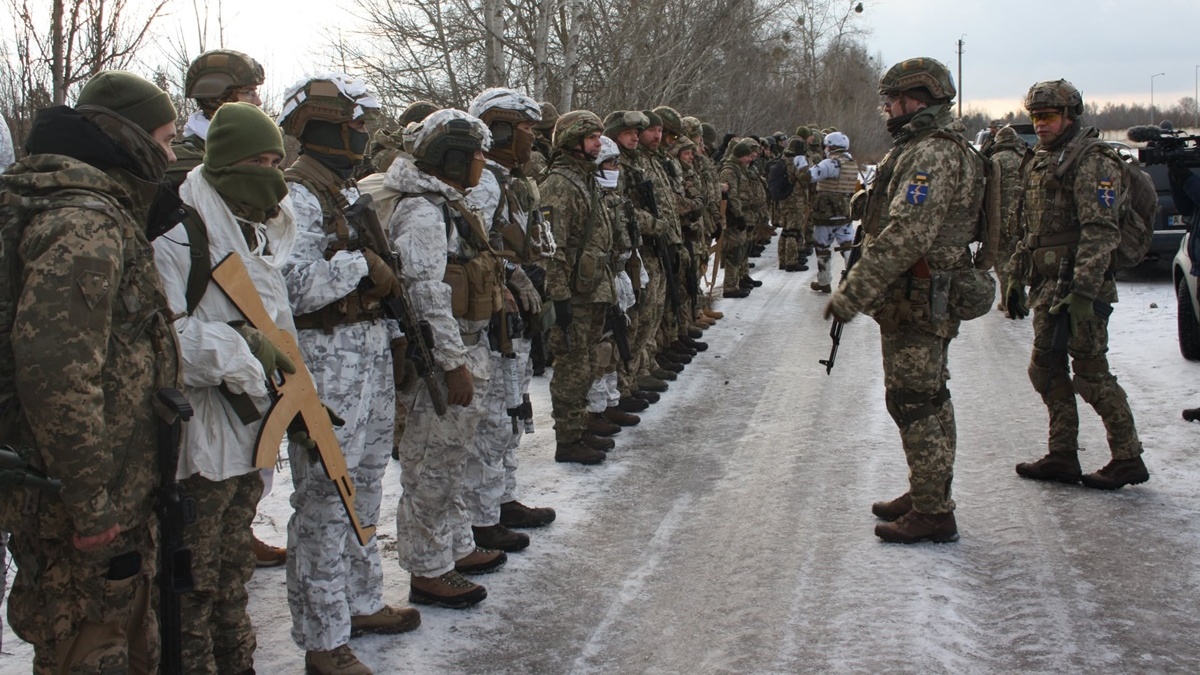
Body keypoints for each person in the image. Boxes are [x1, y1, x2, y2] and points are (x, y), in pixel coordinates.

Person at [3, 69, 182, 674]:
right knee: (91, 647)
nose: (171, 151)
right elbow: (58, 373)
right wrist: (93, 506)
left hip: (81, 488)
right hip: (82, 503)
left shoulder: (57, 202)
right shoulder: (84, 222)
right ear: (127, 137)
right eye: (165, 136)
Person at [277, 74, 418, 675]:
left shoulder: (343, 193)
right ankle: (323, 637)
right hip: (325, 361)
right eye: (354, 122)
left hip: (366, 355)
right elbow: (287, 288)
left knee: (363, 490)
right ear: (322, 125)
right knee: (324, 502)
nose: (363, 134)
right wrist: (360, 266)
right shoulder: (296, 197)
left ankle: (360, 602)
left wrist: (397, 332)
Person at [152, 102, 293, 674]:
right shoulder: (181, 233)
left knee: (233, 578)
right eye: (256, 160)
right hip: (198, 443)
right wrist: (242, 349)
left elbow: (275, 323)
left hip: (246, 434)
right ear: (226, 163)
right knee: (194, 589)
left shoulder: (257, 230)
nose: (268, 171)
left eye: (275, 160)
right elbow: (167, 339)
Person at [824, 57, 986, 543]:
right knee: (930, 395)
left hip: (920, 295)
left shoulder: (931, 154)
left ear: (917, 100)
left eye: (892, 101)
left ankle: (934, 511)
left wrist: (853, 292)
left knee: (914, 399)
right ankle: (928, 491)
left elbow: (908, 232)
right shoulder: (929, 147)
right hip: (922, 292)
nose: (887, 110)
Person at [1004, 79, 1149, 490]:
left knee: (1089, 372)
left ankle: (1128, 457)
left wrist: (1084, 291)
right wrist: (1015, 275)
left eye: (1048, 116)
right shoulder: (1040, 159)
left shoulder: (1093, 161)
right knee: (1045, 369)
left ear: (1070, 116)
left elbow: (1100, 232)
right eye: (1035, 117)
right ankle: (1062, 454)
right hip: (1047, 284)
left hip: (1083, 286)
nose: (1040, 125)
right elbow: (1028, 230)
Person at [387, 108, 506, 607]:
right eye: (477, 153)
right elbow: (426, 296)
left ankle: (454, 545)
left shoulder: (446, 203)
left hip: (462, 348)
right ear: (452, 158)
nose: (483, 161)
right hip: (439, 363)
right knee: (431, 468)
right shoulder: (422, 212)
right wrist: (452, 364)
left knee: (451, 459)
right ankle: (428, 570)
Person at [463, 87, 557, 549]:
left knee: (514, 412)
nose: (531, 139)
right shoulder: (482, 182)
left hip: (516, 317)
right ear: (498, 128)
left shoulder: (510, 180)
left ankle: (504, 498)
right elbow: (473, 248)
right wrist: (512, 274)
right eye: (524, 129)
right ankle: (482, 515)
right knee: (494, 420)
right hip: (494, 319)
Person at [540, 110, 617, 464]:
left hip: (592, 288)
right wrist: (560, 299)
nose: (598, 143)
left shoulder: (584, 180)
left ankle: (580, 425)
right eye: (591, 138)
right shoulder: (559, 184)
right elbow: (551, 248)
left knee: (586, 363)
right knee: (571, 367)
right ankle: (568, 440)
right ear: (573, 142)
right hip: (572, 293)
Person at [168, 50, 265, 189]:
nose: (258, 101)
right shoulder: (183, 165)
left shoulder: (260, 156)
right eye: (249, 93)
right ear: (221, 100)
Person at [804, 131, 859, 293]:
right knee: (848, 246)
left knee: (822, 247)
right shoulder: (851, 163)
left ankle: (824, 281)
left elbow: (808, 177)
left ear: (831, 146)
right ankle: (854, 282)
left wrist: (800, 164)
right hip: (845, 212)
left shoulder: (830, 163)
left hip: (826, 213)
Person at [990, 126, 1029, 311]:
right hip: (1024, 218)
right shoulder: (1024, 158)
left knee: (1002, 260)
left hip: (1002, 217)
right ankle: (1021, 295)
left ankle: (1009, 302)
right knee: (1019, 257)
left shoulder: (996, 160)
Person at [718, 138, 759, 298]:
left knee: (742, 250)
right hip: (733, 217)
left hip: (743, 214)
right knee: (734, 252)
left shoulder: (740, 168)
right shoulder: (729, 170)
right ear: (740, 155)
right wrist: (739, 215)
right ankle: (730, 286)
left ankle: (741, 278)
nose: (750, 159)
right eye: (747, 156)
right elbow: (731, 195)